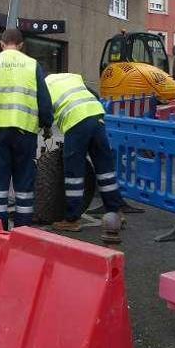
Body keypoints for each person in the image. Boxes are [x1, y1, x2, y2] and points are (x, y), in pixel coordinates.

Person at [0, 28, 53, 230]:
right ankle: (23, 231)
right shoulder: (32, 65)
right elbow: (44, 102)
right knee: (24, 184)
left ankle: (0, 230)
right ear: (21, 44)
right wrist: (47, 124)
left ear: (1, 44)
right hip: (25, 132)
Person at [45, 73, 126, 235]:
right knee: (105, 168)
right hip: (97, 116)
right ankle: (115, 212)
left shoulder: (44, 86)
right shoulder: (71, 77)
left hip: (76, 121)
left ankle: (72, 219)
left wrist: (46, 128)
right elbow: (94, 94)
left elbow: (44, 112)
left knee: (73, 171)